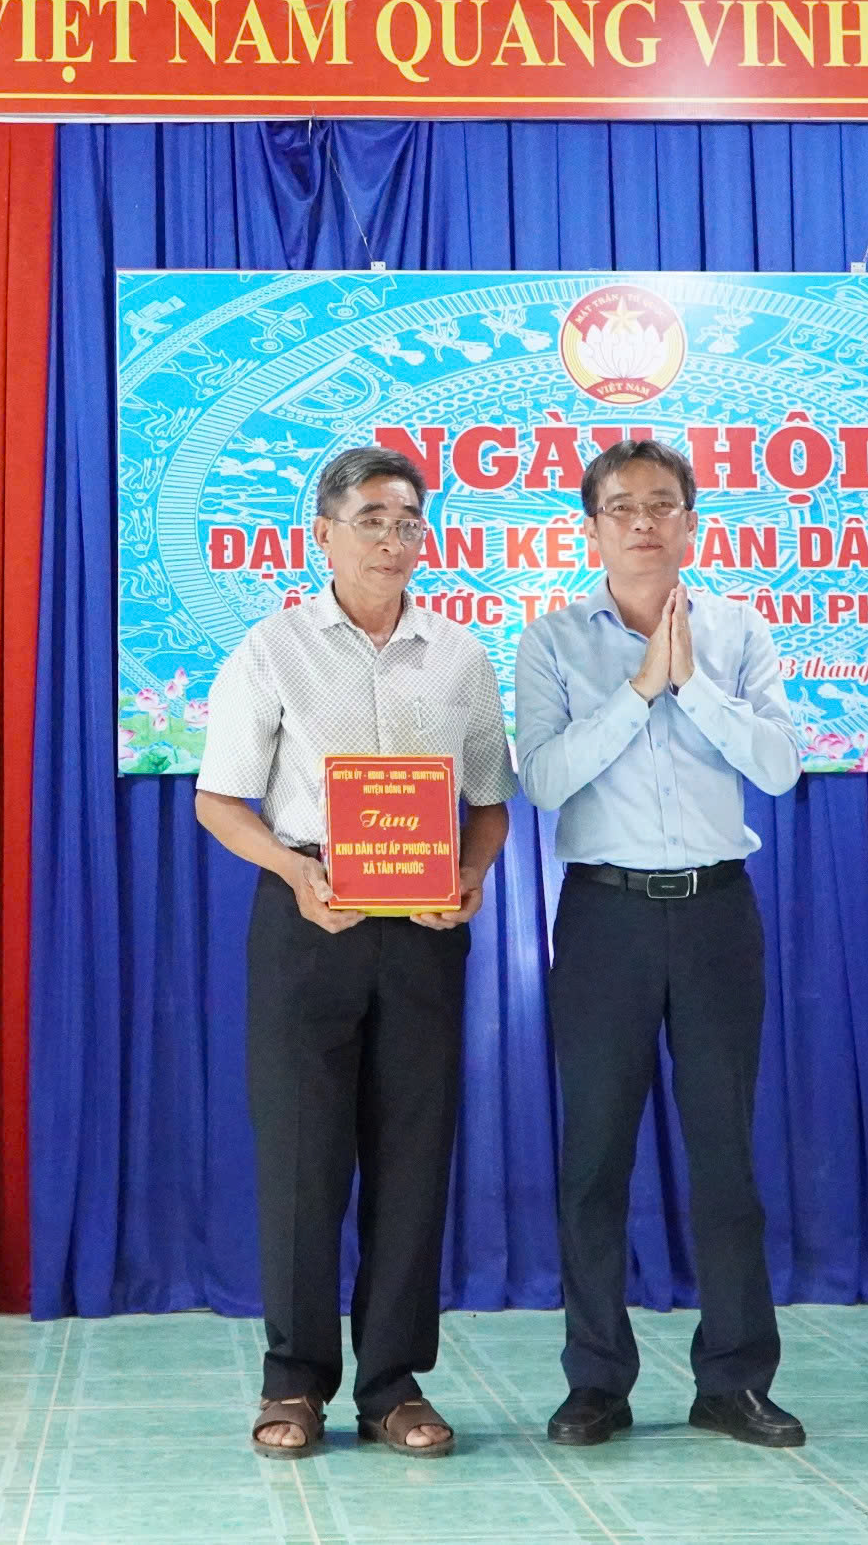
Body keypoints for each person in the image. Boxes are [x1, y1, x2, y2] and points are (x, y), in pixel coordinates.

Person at [194, 445, 517, 1460]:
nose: (391, 539)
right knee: (301, 1157)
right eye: (370, 519)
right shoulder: (272, 649)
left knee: (414, 1157)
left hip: (423, 935)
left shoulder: (459, 656)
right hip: (308, 920)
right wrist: (294, 874)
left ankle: (392, 1384)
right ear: (323, 534)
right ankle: (293, 1382)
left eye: (407, 521)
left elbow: (489, 805)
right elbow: (219, 800)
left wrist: (471, 875)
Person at [513, 438, 806, 1450]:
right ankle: (596, 1379)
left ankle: (734, 1379)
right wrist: (639, 687)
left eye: (662, 504)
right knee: (594, 1159)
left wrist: (691, 686)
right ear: (590, 526)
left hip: (718, 913)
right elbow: (543, 779)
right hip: (607, 918)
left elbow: (778, 768)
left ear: (692, 522)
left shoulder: (738, 630)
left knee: (725, 1158)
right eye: (621, 507)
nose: (643, 522)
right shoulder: (552, 639)